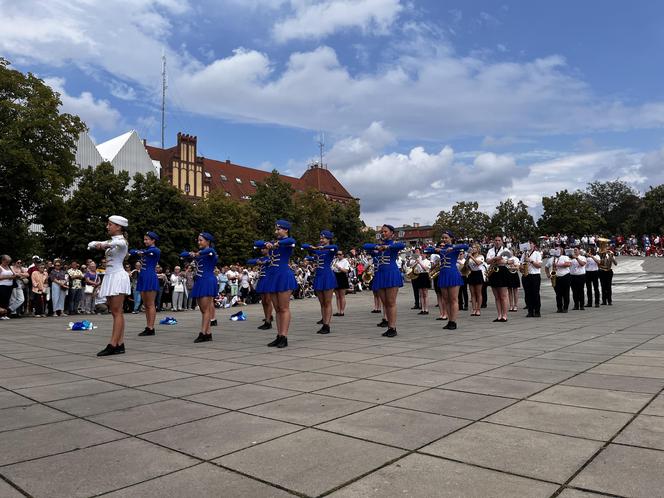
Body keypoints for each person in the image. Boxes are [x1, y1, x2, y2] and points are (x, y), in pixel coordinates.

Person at [88, 215, 131, 356]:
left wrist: (106, 245)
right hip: (110, 276)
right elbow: (91, 243)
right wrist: (99, 244)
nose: (107, 227)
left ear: (118, 227)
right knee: (116, 312)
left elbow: (121, 245)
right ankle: (120, 344)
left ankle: (113, 344)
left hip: (118, 276)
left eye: (110, 224)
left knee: (116, 311)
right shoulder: (111, 240)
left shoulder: (121, 241)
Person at [258, 220, 298, 348]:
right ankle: (279, 335)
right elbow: (257, 243)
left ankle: (284, 336)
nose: (276, 232)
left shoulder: (288, 242)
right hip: (273, 276)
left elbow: (291, 241)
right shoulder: (273, 243)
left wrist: (276, 243)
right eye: (276, 229)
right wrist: (267, 243)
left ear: (286, 230)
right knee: (277, 309)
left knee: (284, 308)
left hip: (283, 275)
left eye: (279, 229)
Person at [363, 224, 405, 338]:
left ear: (392, 233)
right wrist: (378, 247)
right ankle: (388, 325)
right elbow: (365, 245)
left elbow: (402, 245)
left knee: (391, 302)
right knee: (385, 303)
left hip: (391, 273)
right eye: (382, 232)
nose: (383, 233)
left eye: (385, 231)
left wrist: (387, 247)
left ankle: (392, 327)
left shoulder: (393, 245)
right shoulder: (378, 246)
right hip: (380, 275)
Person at [183, 232, 218, 343]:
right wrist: (191, 253)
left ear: (208, 242)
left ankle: (203, 333)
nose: (199, 242)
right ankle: (208, 333)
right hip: (199, 281)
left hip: (207, 280)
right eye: (198, 240)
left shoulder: (210, 252)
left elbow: (209, 251)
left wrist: (196, 254)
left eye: (201, 240)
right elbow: (183, 254)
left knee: (205, 309)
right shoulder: (201, 253)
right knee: (203, 309)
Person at [303, 230, 338, 334]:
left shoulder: (330, 249)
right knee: (322, 302)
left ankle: (327, 325)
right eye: (321, 238)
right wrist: (313, 247)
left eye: (323, 238)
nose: (321, 240)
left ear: (329, 239)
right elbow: (304, 246)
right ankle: (324, 321)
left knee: (327, 302)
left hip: (327, 276)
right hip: (318, 276)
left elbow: (335, 248)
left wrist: (323, 247)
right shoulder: (317, 249)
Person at [432, 231, 468, 330]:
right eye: (442, 238)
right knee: (446, 300)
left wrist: (453, 248)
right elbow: (427, 250)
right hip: (443, 274)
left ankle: (453, 321)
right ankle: (449, 320)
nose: (444, 240)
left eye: (446, 238)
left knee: (453, 299)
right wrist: (436, 249)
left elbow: (466, 246)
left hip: (452, 274)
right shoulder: (441, 249)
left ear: (451, 239)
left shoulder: (454, 249)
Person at [129, 231, 161, 336]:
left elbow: (152, 252)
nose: (145, 241)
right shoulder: (145, 250)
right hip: (142, 277)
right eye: (144, 239)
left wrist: (141, 252)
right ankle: (148, 326)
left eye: (147, 239)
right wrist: (140, 252)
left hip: (150, 276)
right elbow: (132, 251)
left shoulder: (155, 250)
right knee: (146, 304)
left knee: (150, 304)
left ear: (153, 240)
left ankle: (151, 327)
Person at [486, 235, 511, 322]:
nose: (497, 242)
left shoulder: (505, 250)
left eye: (499, 240)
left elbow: (511, 260)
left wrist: (503, 261)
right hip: (493, 271)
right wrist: (495, 258)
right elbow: (488, 261)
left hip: (502, 271)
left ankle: (504, 315)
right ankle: (499, 315)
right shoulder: (490, 250)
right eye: (495, 240)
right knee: (496, 296)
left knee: (503, 296)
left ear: (502, 241)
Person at [248, 246, 274, 330]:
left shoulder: (271, 257)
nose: (262, 250)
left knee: (268, 300)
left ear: (268, 249)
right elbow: (249, 261)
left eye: (264, 249)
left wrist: (263, 262)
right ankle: (267, 317)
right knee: (263, 301)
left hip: (269, 279)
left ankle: (268, 320)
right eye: (261, 249)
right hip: (262, 280)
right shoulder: (261, 258)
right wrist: (257, 261)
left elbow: (268, 262)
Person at [545, 245, 572, 313]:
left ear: (561, 251)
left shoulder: (565, 257)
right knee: (558, 294)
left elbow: (568, 264)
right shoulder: (551, 259)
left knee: (566, 293)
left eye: (559, 250)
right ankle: (559, 307)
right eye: (556, 250)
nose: (557, 251)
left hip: (565, 276)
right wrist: (548, 274)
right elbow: (546, 267)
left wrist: (558, 265)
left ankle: (565, 308)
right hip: (556, 277)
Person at [520, 240, 543, 317]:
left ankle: (537, 311)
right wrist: (521, 268)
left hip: (535, 275)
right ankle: (530, 311)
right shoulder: (524, 254)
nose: (529, 245)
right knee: (527, 294)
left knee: (535, 294)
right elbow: (521, 266)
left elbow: (539, 265)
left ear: (534, 245)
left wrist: (530, 260)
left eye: (531, 243)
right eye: (528, 243)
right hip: (526, 275)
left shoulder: (537, 253)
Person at [409, 248, 432, 315]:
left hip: (425, 275)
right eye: (422, 254)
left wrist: (420, 263)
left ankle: (426, 309)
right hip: (419, 275)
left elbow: (425, 269)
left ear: (426, 255)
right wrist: (415, 262)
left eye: (424, 254)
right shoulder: (419, 260)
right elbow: (411, 267)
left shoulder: (428, 261)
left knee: (425, 293)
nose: (422, 255)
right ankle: (422, 309)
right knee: (421, 293)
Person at [466, 244, 485, 316]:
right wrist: (468, 259)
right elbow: (467, 265)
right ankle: (474, 309)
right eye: (472, 248)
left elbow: (478, 263)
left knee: (478, 293)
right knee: (472, 293)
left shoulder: (481, 256)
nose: (473, 249)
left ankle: (478, 309)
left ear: (478, 249)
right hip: (471, 273)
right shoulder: (470, 256)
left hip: (478, 273)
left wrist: (471, 256)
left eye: (474, 248)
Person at [332, 249, 350, 316]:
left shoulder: (345, 261)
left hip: (342, 277)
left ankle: (342, 311)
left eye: (340, 254)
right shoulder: (335, 260)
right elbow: (332, 268)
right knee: (337, 296)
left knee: (342, 296)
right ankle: (338, 310)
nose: (338, 256)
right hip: (336, 276)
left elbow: (346, 271)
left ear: (343, 255)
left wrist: (338, 267)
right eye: (337, 254)